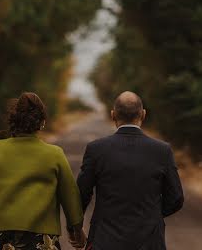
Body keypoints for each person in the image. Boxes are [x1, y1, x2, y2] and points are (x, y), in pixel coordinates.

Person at [0, 92, 86, 250]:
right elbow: (70, 197)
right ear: (42, 123)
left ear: (13, 120)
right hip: (42, 240)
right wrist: (76, 229)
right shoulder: (55, 154)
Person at [76, 91, 184, 250]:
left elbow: (81, 195)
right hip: (149, 242)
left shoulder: (96, 149)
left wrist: (75, 228)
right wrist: (151, 214)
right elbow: (176, 198)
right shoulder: (162, 150)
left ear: (113, 115)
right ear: (143, 114)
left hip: (104, 240)